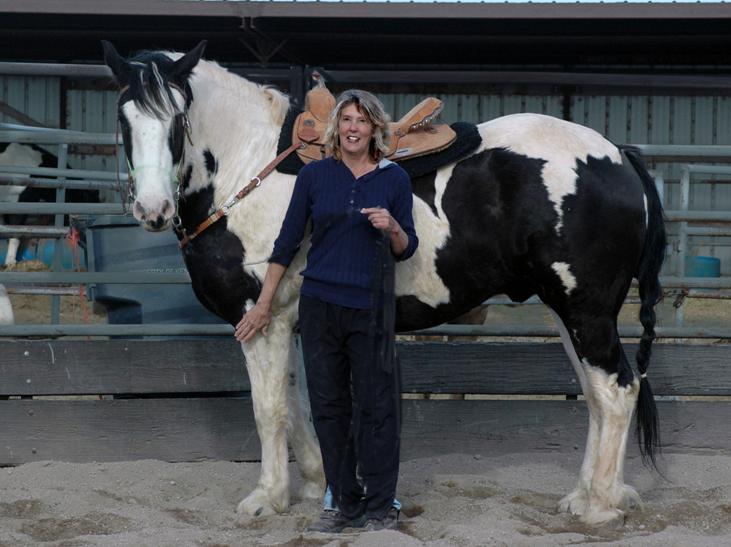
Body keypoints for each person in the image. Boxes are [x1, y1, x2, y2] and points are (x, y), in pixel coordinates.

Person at [235, 89, 418, 532]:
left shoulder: (394, 180)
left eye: (362, 120)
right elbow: (286, 243)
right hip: (319, 306)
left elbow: (407, 246)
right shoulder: (315, 177)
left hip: (370, 306)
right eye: (347, 120)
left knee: (376, 405)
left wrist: (392, 225)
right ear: (337, 128)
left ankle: (382, 503)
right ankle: (341, 501)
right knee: (329, 406)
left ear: (375, 128)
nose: (354, 127)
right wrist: (263, 304)